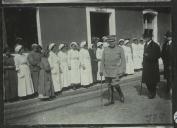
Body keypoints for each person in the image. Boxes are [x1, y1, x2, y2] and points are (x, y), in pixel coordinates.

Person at [100, 35, 126, 106]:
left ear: (115, 41)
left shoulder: (120, 49)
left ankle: (121, 94)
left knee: (115, 84)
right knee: (108, 85)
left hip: (115, 70)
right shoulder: (105, 49)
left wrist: (123, 69)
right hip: (107, 70)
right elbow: (102, 60)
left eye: (113, 41)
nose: (111, 43)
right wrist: (101, 70)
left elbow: (123, 60)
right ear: (108, 42)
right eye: (110, 42)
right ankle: (111, 100)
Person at [142, 29, 161, 99]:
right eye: (145, 37)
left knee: (152, 81)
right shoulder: (145, 45)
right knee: (147, 80)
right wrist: (143, 61)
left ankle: (153, 93)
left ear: (150, 37)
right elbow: (144, 54)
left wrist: (149, 56)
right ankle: (150, 92)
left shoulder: (155, 45)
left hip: (153, 66)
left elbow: (158, 55)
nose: (146, 38)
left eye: (147, 37)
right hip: (146, 66)